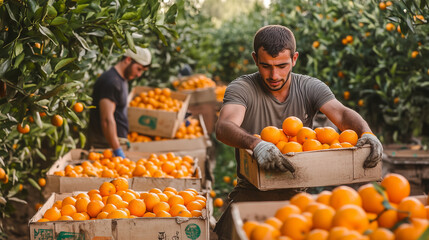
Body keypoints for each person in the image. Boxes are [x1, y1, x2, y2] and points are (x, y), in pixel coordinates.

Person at [214, 25, 383, 239]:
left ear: (294, 59)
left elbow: (341, 114)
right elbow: (224, 127)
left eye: (282, 66)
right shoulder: (243, 88)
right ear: (255, 59)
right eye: (266, 66)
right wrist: (256, 145)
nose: (274, 75)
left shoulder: (309, 87)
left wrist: (366, 133)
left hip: (297, 197)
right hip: (252, 194)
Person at [87, 47, 152, 158]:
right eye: (139, 69)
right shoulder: (112, 82)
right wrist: (117, 150)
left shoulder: (121, 80)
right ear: (128, 60)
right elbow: (107, 120)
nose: (139, 74)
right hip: (104, 148)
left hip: (110, 145)